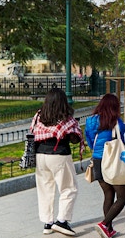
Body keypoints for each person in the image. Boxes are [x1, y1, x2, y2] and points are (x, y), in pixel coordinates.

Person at [31, 88, 83, 236]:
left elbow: (33, 132)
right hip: (59, 155)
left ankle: (47, 223)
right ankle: (62, 221)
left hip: (41, 155)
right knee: (68, 188)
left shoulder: (39, 116)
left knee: (45, 189)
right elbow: (74, 139)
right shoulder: (66, 118)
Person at [85, 93, 125, 238]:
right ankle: (104, 224)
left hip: (98, 161)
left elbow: (90, 141)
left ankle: (108, 230)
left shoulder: (90, 121)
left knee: (108, 194)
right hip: (113, 162)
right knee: (123, 196)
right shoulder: (118, 122)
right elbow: (123, 141)